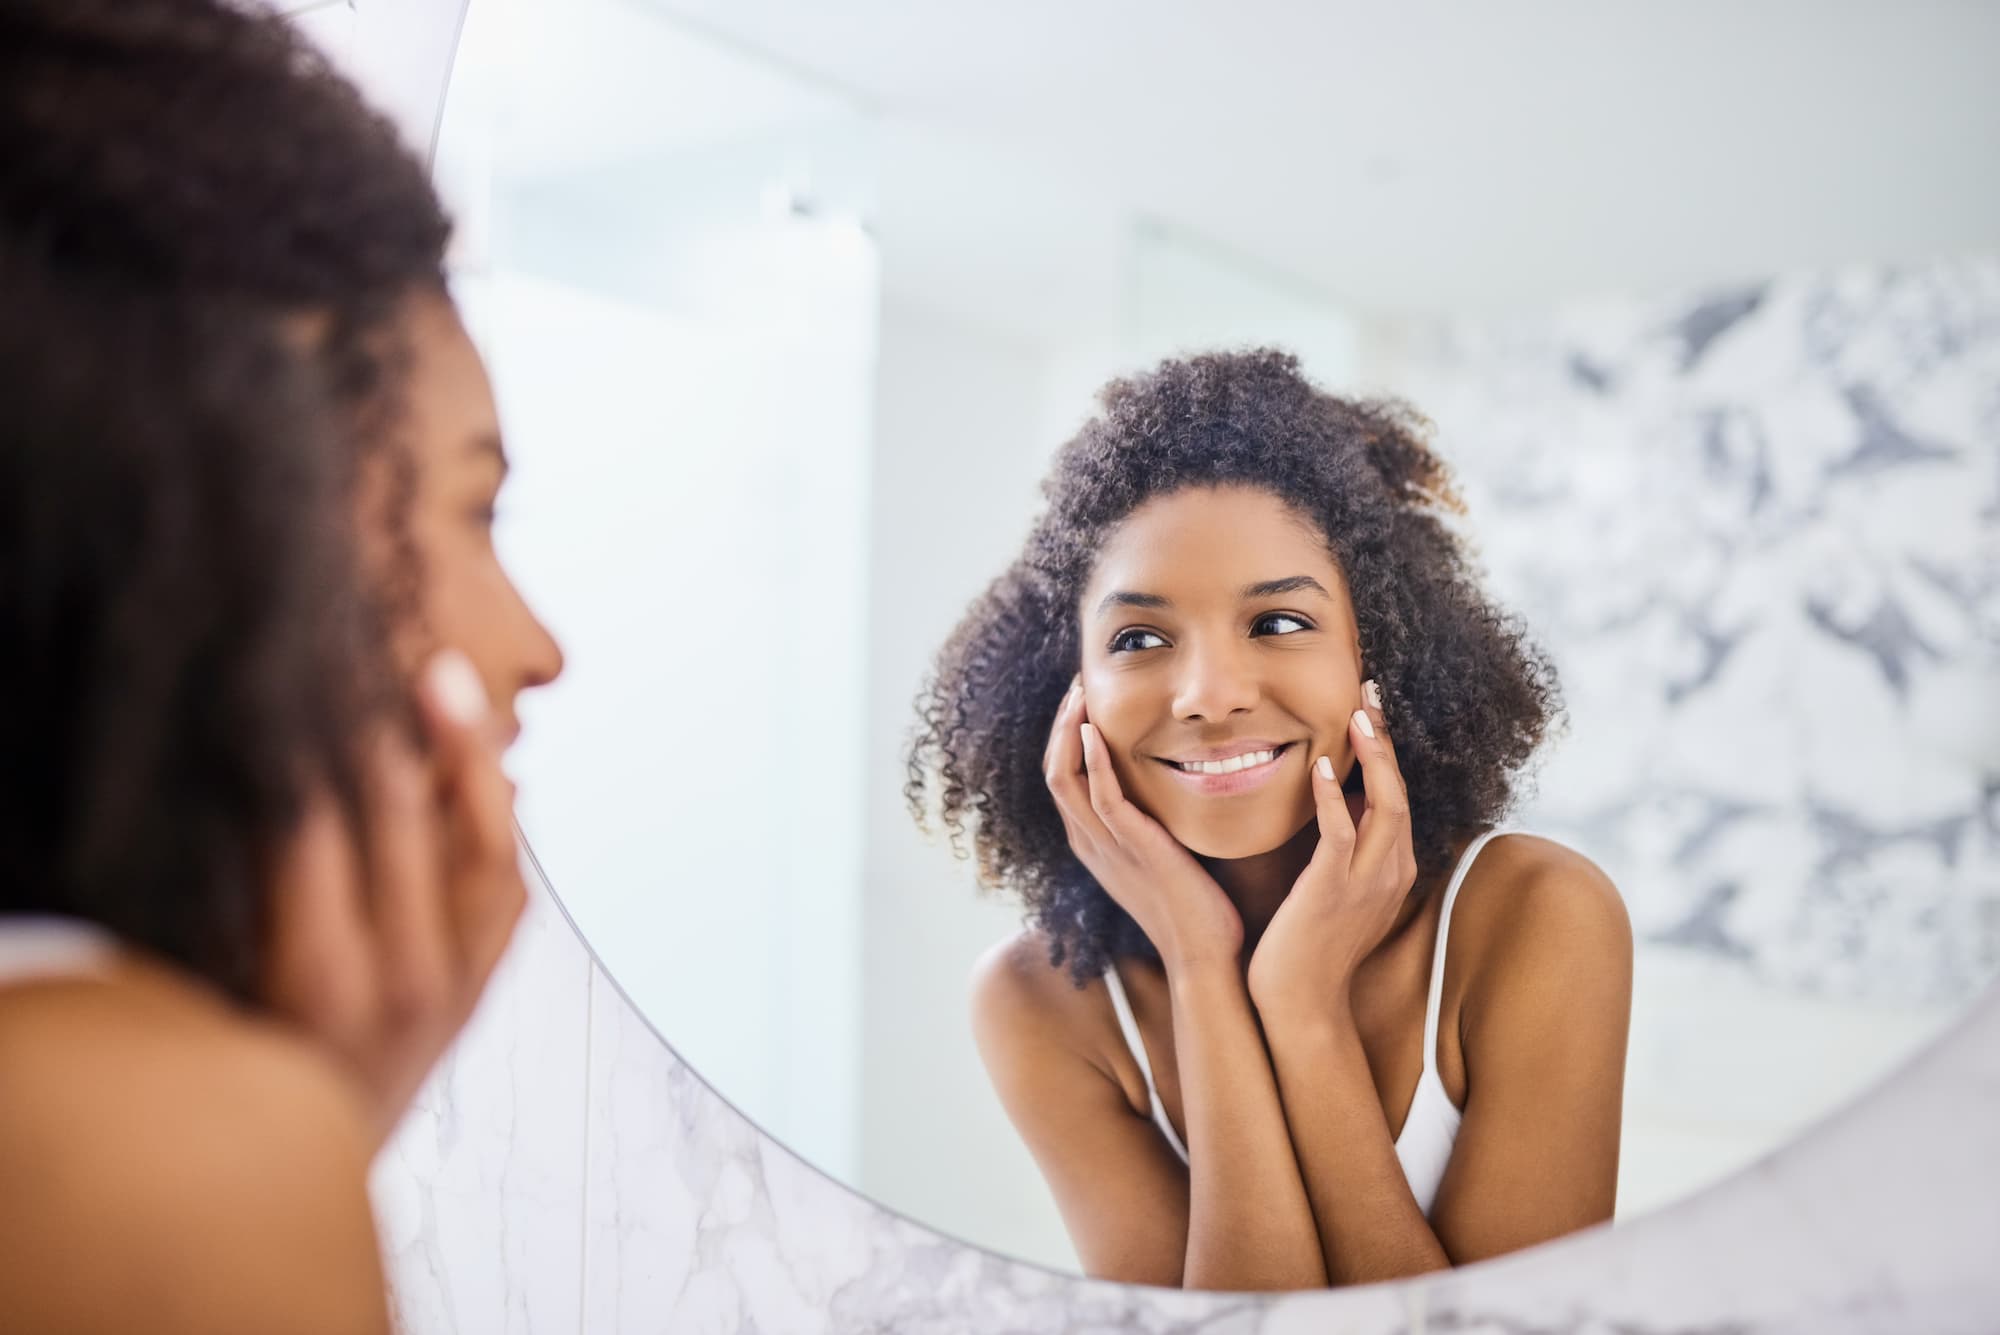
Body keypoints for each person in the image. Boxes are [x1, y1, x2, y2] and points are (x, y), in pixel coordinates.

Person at [0, 1, 562, 1329]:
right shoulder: (154, 1153)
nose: (536, 646)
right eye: (473, 511)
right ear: (219, 524)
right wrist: (277, 1148)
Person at [911, 349, 1634, 1290]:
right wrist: (1201, 964)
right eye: (1139, 638)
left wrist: (1303, 1010)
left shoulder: (1539, 918)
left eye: (1279, 622)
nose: (1210, 695)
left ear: (1381, 648)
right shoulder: (1041, 1003)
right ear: (1070, 690)